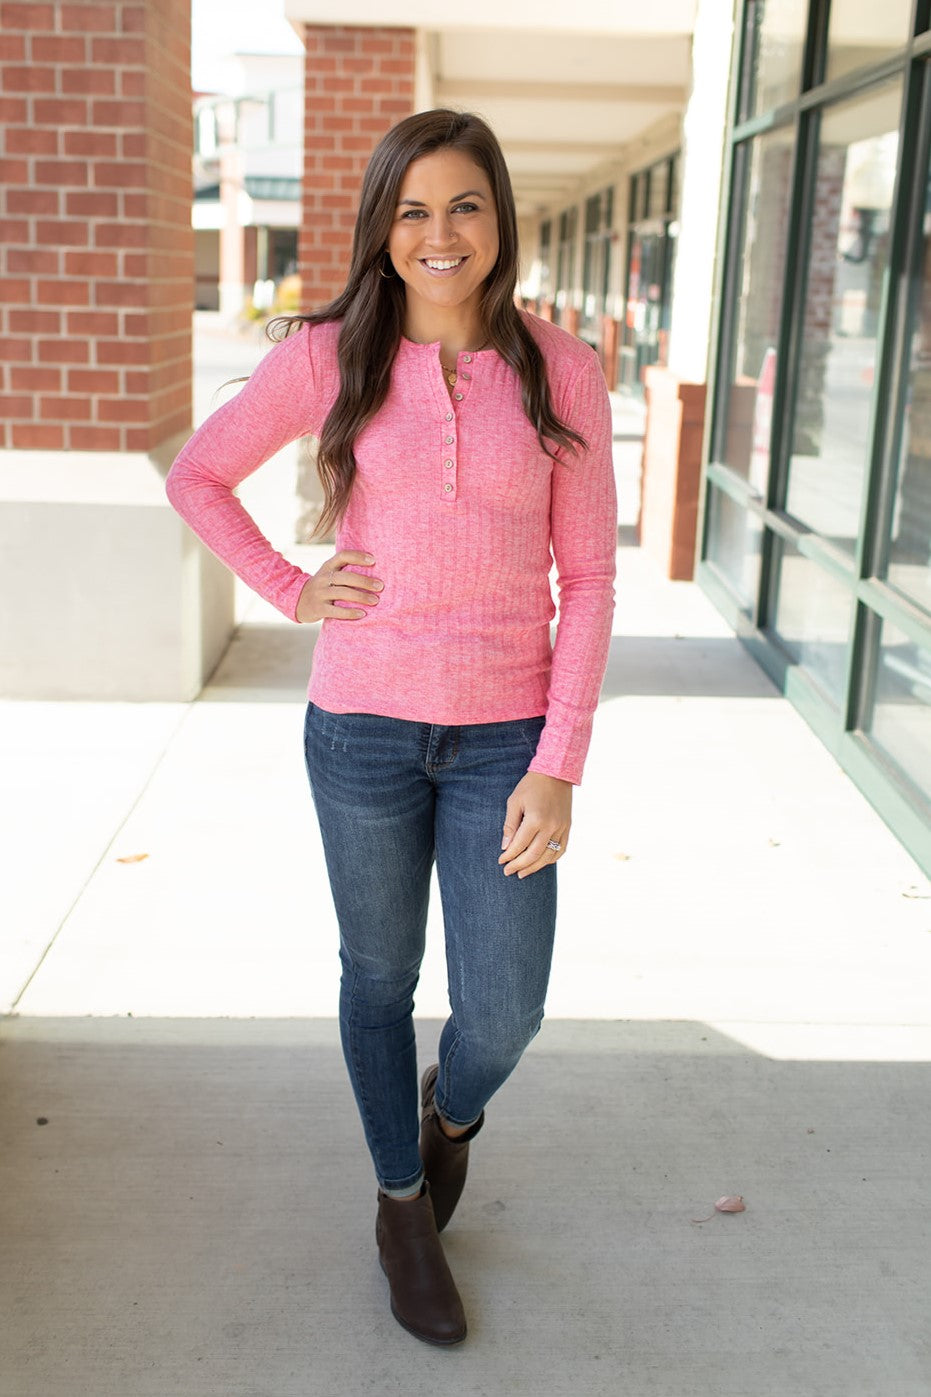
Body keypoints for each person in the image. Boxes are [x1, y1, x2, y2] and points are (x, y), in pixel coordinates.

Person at [166, 108, 617, 1347]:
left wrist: (560, 759)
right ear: (382, 227)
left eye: (463, 204)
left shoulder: (560, 368)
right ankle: (400, 1202)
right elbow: (197, 474)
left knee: (506, 1007)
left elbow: (591, 580)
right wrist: (290, 585)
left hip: (504, 735)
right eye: (412, 209)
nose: (438, 232)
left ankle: (450, 1113)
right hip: (360, 725)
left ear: (499, 219)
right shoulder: (329, 355)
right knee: (377, 976)